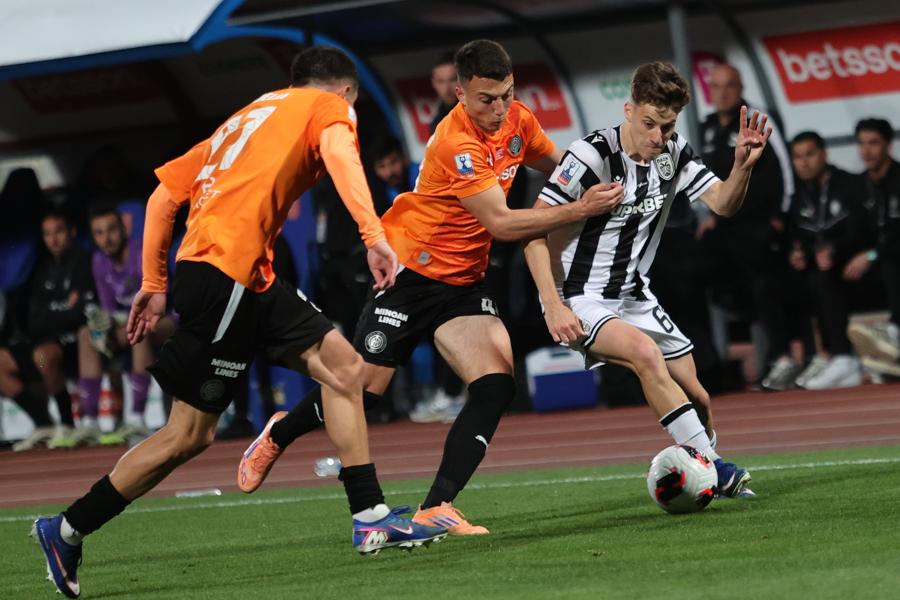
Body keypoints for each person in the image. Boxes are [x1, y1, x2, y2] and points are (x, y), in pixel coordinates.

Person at [32, 46, 447, 600]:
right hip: (226, 275)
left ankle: (370, 516)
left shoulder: (244, 118)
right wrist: (374, 238)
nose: (349, 117)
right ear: (344, 91)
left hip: (246, 277)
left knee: (346, 369)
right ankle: (66, 528)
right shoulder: (328, 107)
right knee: (188, 435)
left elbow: (161, 200)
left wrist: (155, 282)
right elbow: (341, 157)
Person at [238, 39, 623, 535]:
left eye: (506, 95)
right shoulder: (455, 143)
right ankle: (280, 432)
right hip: (410, 272)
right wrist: (582, 209)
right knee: (364, 393)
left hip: (463, 281)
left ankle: (437, 505)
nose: (499, 108)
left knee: (496, 385)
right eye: (486, 99)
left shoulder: (518, 120)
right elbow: (503, 224)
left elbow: (563, 168)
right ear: (459, 93)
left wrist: (615, 177)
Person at [523, 62, 769, 500]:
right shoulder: (591, 156)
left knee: (697, 397)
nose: (658, 136)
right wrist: (552, 304)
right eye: (650, 123)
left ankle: (706, 472)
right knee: (644, 355)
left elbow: (723, 204)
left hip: (635, 294)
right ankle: (716, 469)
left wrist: (742, 167)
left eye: (668, 126)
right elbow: (532, 230)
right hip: (578, 295)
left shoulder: (674, 152)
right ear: (629, 110)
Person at [697, 63, 797, 390]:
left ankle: (781, 359)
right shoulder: (707, 127)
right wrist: (712, 215)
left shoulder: (758, 119)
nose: (722, 93)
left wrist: (779, 217)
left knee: (764, 286)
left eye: (729, 86)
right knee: (690, 272)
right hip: (725, 225)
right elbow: (708, 178)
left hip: (759, 224)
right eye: (716, 86)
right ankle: (706, 364)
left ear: (740, 88)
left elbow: (785, 168)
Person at [68, 203, 177, 447]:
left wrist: (122, 322)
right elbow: (109, 307)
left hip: (166, 320)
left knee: (140, 329)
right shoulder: (98, 261)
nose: (106, 238)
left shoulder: (143, 252)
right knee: (86, 334)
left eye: (111, 230)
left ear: (124, 229)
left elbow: (158, 299)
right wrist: (104, 326)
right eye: (99, 233)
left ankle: (137, 418)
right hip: (127, 322)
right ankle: (90, 422)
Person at [785, 132, 873, 389]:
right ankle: (807, 357)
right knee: (782, 281)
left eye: (810, 154)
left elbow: (862, 232)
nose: (804, 163)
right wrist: (798, 255)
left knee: (823, 279)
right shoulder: (796, 195)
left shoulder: (849, 185)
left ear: (824, 154)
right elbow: (797, 237)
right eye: (798, 157)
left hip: (857, 268)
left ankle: (842, 356)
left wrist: (835, 251)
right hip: (820, 272)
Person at [27, 209, 93, 448]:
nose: (53, 239)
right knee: (36, 358)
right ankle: (47, 422)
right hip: (51, 345)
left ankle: (69, 422)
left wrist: (54, 314)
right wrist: (65, 310)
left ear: (72, 232)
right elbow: (34, 322)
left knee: (43, 357)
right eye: (47, 234)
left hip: (81, 345)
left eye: (58, 232)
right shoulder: (41, 270)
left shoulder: (85, 263)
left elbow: (81, 313)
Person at [847, 118, 900, 377]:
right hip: (871, 271)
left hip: (891, 262)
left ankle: (893, 333)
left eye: (873, 143)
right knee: (822, 277)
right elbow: (852, 234)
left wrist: (872, 254)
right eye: (862, 144)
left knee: (892, 262)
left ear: (888, 146)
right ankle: (841, 358)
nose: (866, 151)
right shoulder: (857, 186)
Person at [430, 51, 458, 134]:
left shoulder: (480, 115)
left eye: (452, 80)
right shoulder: (437, 123)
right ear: (433, 83)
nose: (447, 88)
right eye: (441, 81)